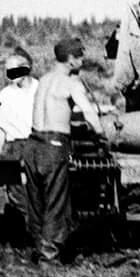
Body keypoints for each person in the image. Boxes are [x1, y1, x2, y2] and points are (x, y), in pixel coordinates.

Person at [25, 37, 104, 263]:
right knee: (56, 201)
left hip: (33, 145)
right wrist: (102, 135)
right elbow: (89, 113)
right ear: (70, 60)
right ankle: (50, 257)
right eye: (80, 56)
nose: (82, 60)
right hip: (54, 146)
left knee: (37, 201)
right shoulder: (71, 83)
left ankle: (39, 247)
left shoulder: (43, 80)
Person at [0, 48, 38, 154]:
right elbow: (1, 127)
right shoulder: (5, 94)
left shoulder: (39, 89)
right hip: (13, 146)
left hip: (36, 145)